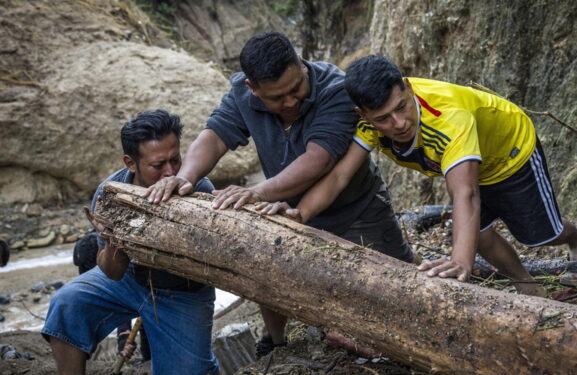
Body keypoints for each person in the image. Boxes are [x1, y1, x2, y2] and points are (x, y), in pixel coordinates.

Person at [143, 32, 416, 357]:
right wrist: (185, 177)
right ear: (252, 88)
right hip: (286, 211)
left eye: (296, 89)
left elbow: (319, 159)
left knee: (399, 287)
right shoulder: (241, 95)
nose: (289, 102)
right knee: (268, 272)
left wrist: (256, 192)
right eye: (277, 97)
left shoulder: (336, 90)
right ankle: (277, 343)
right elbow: (215, 135)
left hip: (357, 208)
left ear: (301, 65)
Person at [269, 55, 577, 296]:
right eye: (383, 118)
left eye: (401, 107)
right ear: (363, 115)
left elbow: (465, 194)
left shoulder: (449, 116)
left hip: (509, 153)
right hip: (467, 164)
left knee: (539, 235)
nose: (397, 124)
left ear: (408, 88)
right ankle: (526, 285)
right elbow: (339, 176)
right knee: (478, 234)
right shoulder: (368, 124)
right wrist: (301, 213)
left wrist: (459, 262)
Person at [42, 110, 219, 374]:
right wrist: (116, 238)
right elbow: (112, 273)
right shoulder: (110, 192)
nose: (170, 172)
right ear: (131, 163)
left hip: (183, 293)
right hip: (128, 281)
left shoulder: (199, 189)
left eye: (176, 160)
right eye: (158, 165)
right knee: (67, 304)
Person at [72, 232, 152, 364]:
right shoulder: (85, 249)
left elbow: (120, 293)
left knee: (147, 316)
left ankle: (148, 359)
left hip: (149, 286)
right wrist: (124, 336)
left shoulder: (118, 254)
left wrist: (123, 335)